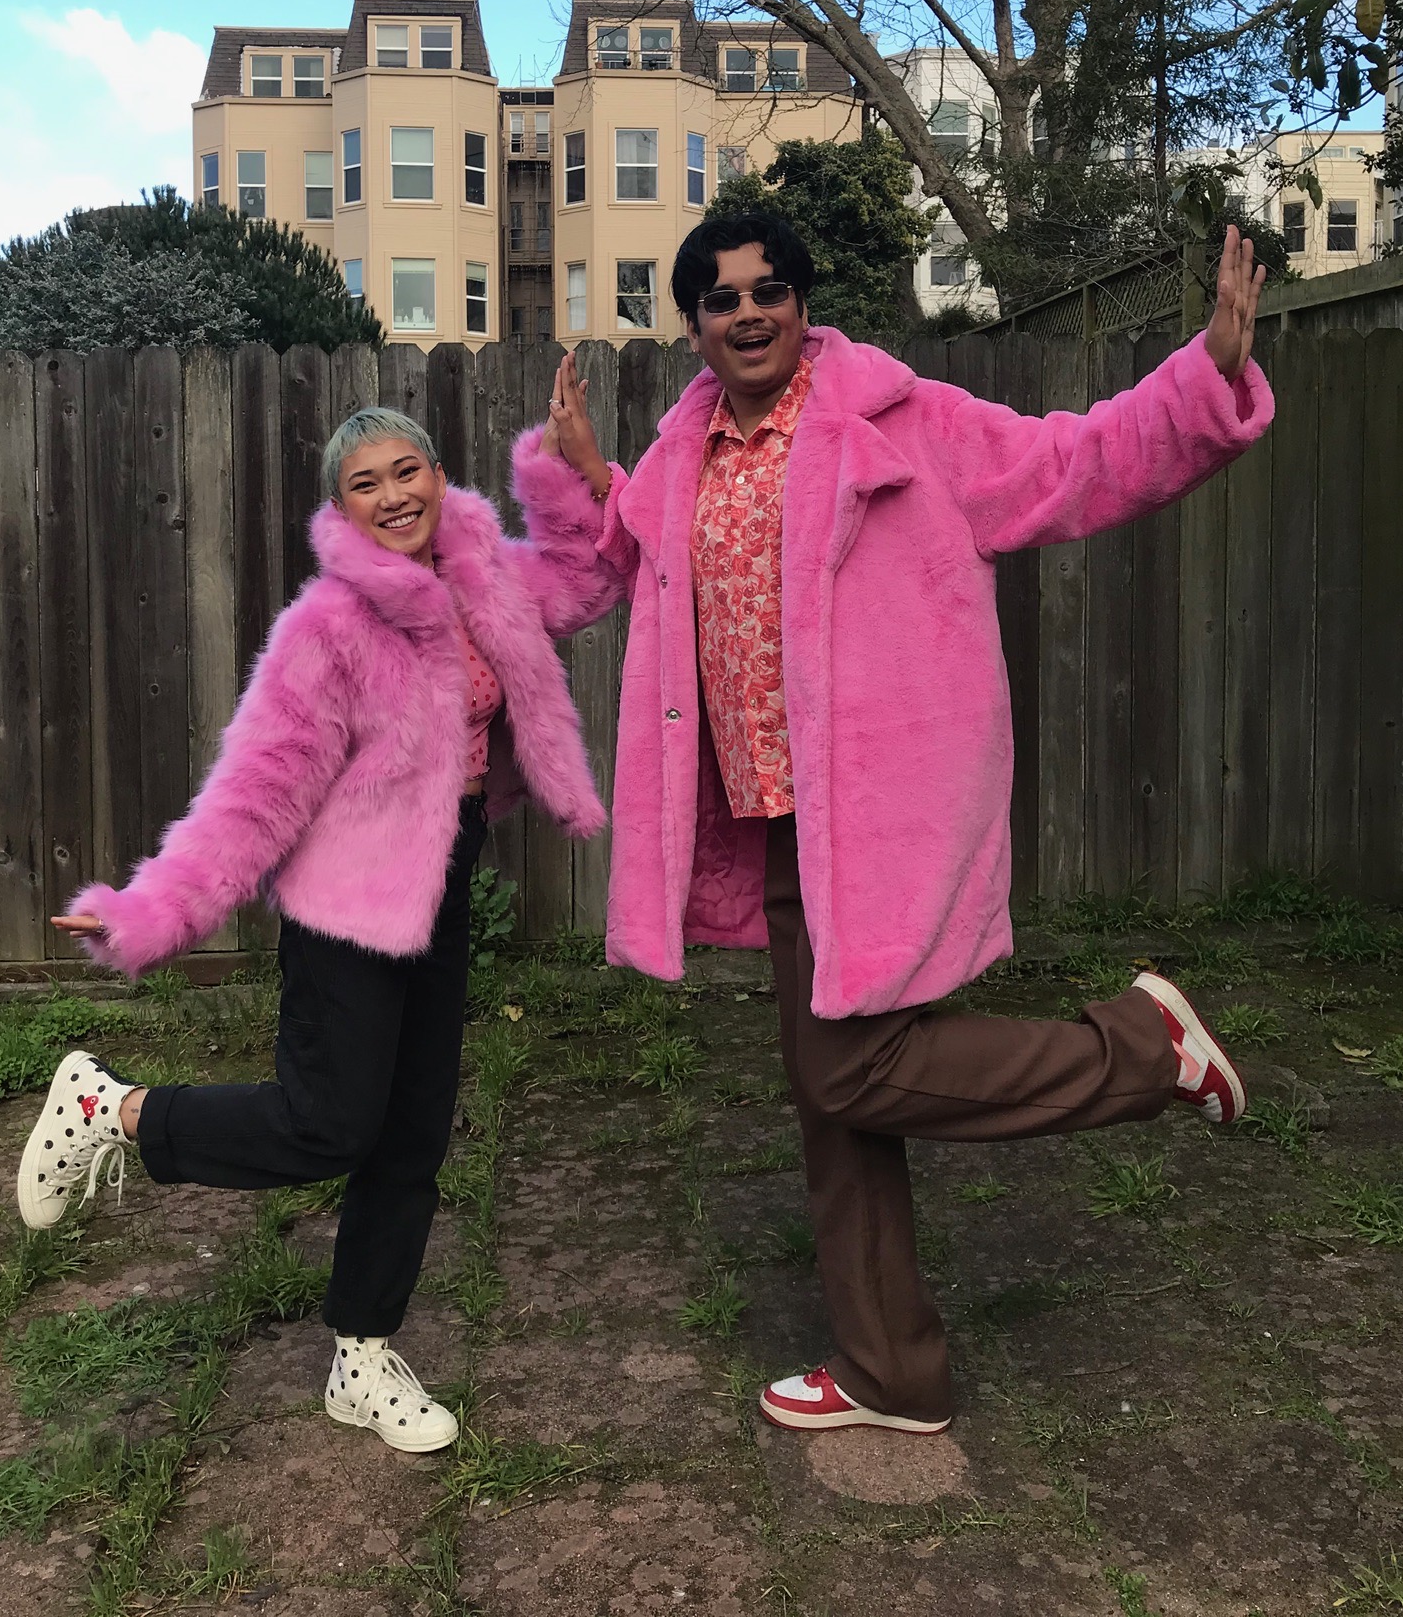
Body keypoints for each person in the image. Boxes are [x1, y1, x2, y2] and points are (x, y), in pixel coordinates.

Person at [545, 214, 1272, 1435]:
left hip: (870, 818)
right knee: (829, 1094)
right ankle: (893, 1369)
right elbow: (651, 565)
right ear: (692, 326)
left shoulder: (902, 422)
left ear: (804, 299)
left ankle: (1144, 1050)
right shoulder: (683, 456)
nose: (749, 312)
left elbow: (1071, 463)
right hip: (766, 819)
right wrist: (594, 479)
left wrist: (1205, 381)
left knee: (851, 1068)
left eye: (770, 288)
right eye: (721, 300)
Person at [17, 373, 620, 1453]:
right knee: (328, 1121)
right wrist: (151, 911)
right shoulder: (326, 629)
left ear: (439, 477)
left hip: (442, 879)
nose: (392, 495)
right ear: (338, 512)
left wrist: (570, 468)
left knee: (412, 1132)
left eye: (407, 470)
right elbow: (255, 793)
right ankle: (108, 1111)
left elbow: (587, 578)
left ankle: (362, 1353)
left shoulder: (485, 576)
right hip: (345, 903)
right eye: (364, 484)